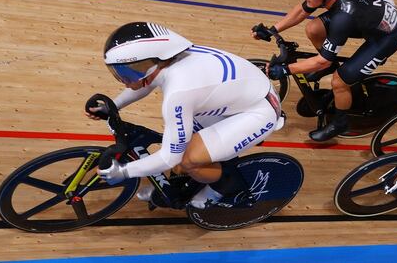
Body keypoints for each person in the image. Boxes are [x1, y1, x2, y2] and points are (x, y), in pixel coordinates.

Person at [89, 22, 283, 209]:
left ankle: (223, 188)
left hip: (257, 112)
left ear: (150, 64)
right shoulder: (169, 58)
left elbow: (169, 159)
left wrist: (125, 171)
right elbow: (143, 82)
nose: (125, 81)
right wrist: (115, 105)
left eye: (126, 73)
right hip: (239, 98)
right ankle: (182, 184)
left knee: (187, 159)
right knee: (180, 144)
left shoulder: (178, 92)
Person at [252, 0, 397, 141]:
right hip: (368, 17)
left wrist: (286, 70)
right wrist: (273, 30)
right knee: (313, 29)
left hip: (385, 38)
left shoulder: (343, 17)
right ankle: (332, 65)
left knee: (339, 81)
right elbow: (302, 10)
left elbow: (321, 60)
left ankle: (340, 122)